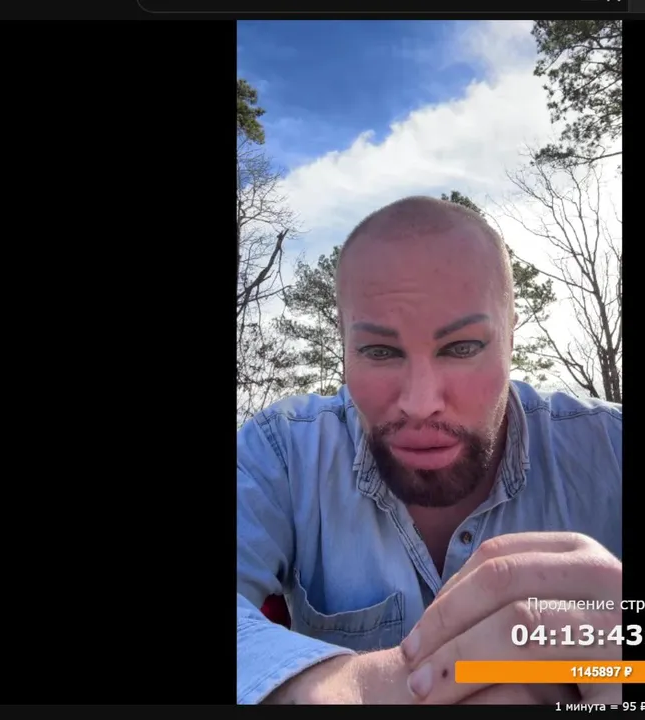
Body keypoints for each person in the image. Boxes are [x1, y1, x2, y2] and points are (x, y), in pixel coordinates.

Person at [236, 196, 622, 705]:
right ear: (344, 344)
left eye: (461, 348)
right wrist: (353, 688)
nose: (420, 404)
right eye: (380, 351)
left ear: (511, 336)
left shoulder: (611, 449)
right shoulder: (283, 453)